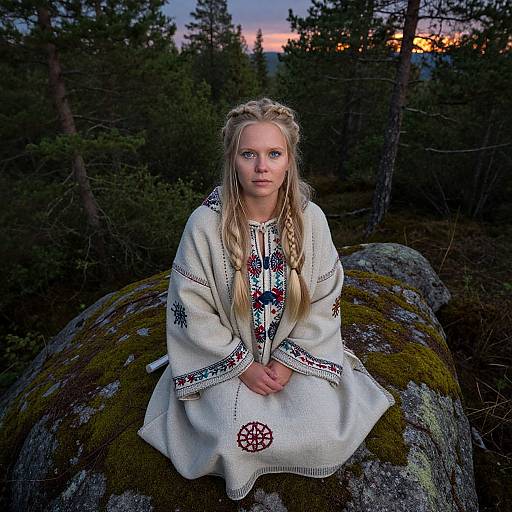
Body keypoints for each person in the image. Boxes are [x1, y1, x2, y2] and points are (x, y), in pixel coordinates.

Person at [137, 97, 396, 501]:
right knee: (229, 438)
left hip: (294, 352)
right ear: (232, 159)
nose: (262, 167)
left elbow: (325, 298)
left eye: (274, 154)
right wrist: (242, 366)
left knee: (324, 428)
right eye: (249, 154)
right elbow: (192, 307)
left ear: (289, 160)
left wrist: (289, 361)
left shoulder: (312, 219)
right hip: (224, 359)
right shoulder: (205, 224)